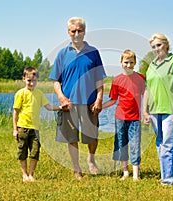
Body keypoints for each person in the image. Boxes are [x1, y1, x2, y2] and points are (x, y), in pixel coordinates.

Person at [49, 17, 106, 179]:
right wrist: (61, 98)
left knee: (92, 136)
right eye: (73, 31)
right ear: (68, 33)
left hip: (89, 103)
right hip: (69, 104)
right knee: (71, 137)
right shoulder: (62, 54)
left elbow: (99, 80)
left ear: (84, 31)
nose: (76, 34)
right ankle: (76, 168)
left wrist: (99, 99)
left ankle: (91, 158)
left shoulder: (93, 53)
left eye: (79, 30)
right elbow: (55, 81)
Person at [142, 33, 173, 186]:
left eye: (159, 45)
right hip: (154, 111)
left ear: (166, 44)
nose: (156, 49)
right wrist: (145, 111)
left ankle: (168, 179)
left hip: (170, 110)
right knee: (160, 143)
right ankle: (165, 174)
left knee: (168, 143)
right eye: (153, 47)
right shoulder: (152, 65)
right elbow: (147, 89)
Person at [13, 66, 63, 182]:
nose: (31, 83)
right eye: (29, 80)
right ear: (24, 79)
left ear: (37, 81)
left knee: (35, 152)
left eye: (34, 80)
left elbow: (48, 107)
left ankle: (31, 174)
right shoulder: (20, 93)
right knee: (22, 151)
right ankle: (24, 174)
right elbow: (15, 112)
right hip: (22, 128)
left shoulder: (39, 93)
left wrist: (60, 107)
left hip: (35, 129)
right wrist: (15, 129)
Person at [102, 50, 145, 181]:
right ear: (121, 63)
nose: (128, 65)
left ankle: (136, 174)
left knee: (135, 144)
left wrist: (146, 111)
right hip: (120, 117)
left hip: (135, 118)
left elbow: (145, 96)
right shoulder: (117, 80)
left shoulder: (140, 78)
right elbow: (113, 100)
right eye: (126, 62)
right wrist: (100, 106)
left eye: (131, 62)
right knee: (121, 143)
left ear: (135, 63)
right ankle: (125, 172)